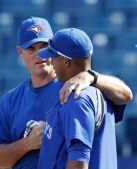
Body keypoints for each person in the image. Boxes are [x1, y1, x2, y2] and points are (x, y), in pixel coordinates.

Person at [0, 17, 133, 169]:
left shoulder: (75, 87)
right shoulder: (10, 100)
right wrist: (27, 143)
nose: (39, 54)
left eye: (44, 46)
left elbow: (126, 94)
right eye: (31, 48)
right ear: (20, 52)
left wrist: (92, 76)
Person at [37, 28, 129, 169]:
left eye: (54, 57)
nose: (50, 62)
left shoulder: (77, 98)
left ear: (66, 61)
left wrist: (92, 76)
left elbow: (79, 162)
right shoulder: (100, 91)